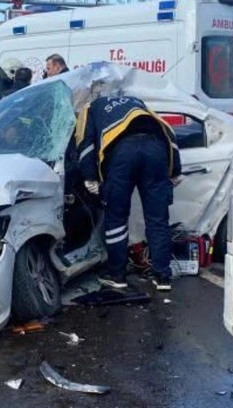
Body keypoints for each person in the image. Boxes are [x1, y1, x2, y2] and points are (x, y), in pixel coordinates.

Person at [75, 94, 181, 292]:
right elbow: (166, 130)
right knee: (158, 219)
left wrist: (90, 177)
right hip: (156, 150)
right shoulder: (137, 102)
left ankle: (117, 275)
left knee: (116, 217)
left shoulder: (90, 108)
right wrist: (175, 170)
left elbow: (85, 143)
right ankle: (162, 276)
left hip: (122, 153)